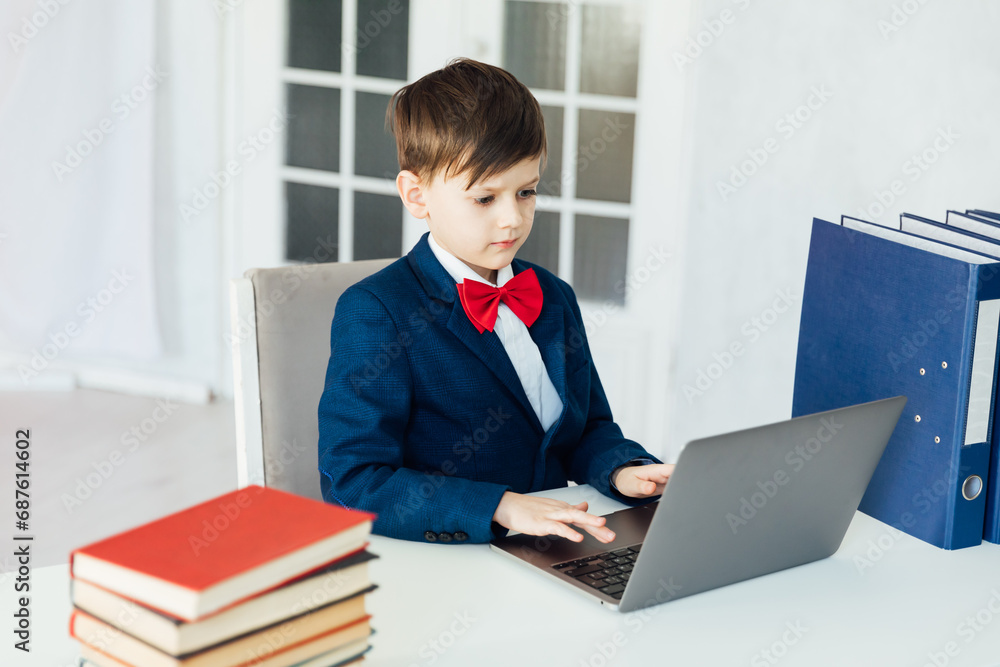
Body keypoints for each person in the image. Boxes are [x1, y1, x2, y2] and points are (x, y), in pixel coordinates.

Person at [317, 57, 673, 545]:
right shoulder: (376, 313)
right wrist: (500, 507)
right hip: (447, 556)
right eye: (485, 199)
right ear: (417, 196)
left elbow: (585, 430)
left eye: (526, 191)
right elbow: (354, 483)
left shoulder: (553, 296)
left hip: (553, 544)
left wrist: (622, 470)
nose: (512, 219)